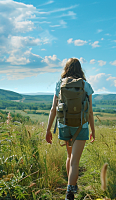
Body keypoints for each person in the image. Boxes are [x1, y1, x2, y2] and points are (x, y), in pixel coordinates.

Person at [45, 58, 95, 200]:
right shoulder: (86, 85)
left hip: (64, 124)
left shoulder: (59, 84)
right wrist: (93, 130)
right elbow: (90, 111)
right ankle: (70, 192)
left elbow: (53, 109)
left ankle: (70, 185)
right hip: (81, 126)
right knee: (75, 160)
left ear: (66, 69)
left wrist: (48, 130)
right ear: (80, 69)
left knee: (69, 157)